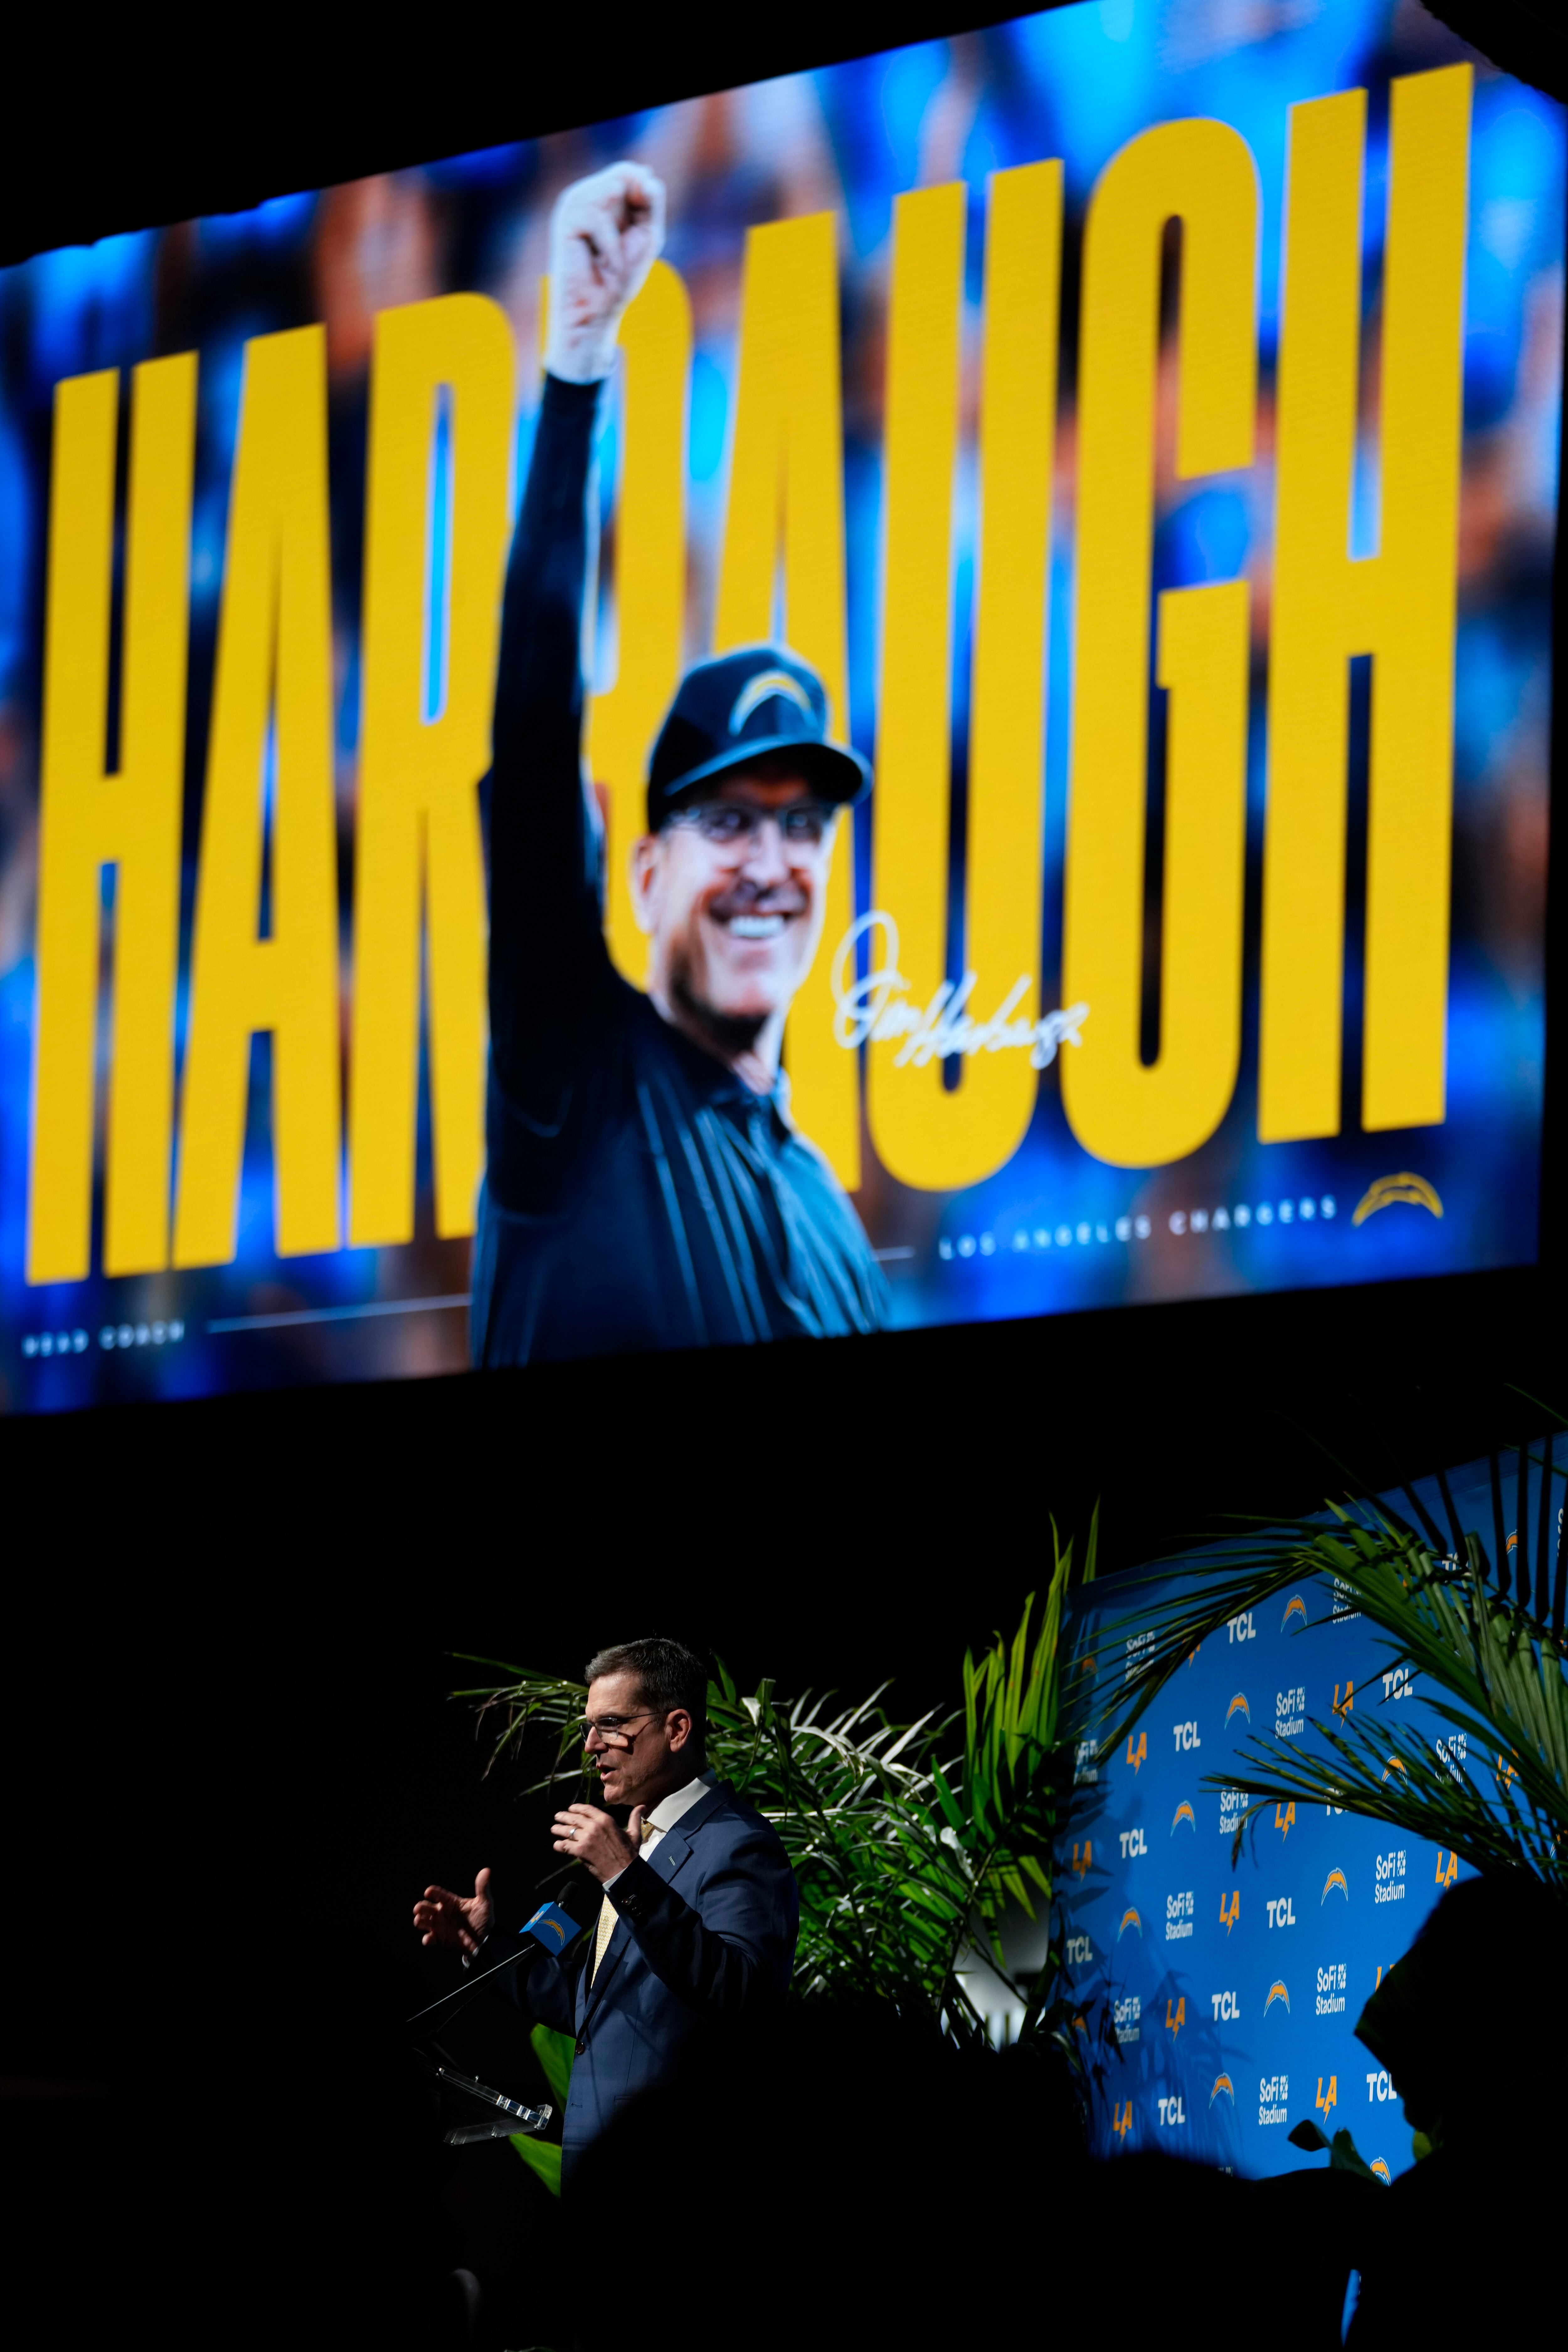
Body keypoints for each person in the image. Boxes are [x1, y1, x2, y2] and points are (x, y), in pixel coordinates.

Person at [473, 161, 889, 1366]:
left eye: (802, 824)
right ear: (645, 875)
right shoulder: (579, 1084)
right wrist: (576, 372)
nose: (770, 861)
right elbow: (534, 737)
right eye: (727, 820)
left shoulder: (835, 1223)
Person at [412, 1636, 798, 2187]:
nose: (592, 1745)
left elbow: (742, 1996)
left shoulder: (739, 1843)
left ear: (677, 1729)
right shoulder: (647, 1842)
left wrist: (625, 1874)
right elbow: (597, 2006)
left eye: (612, 1725)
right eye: (589, 1727)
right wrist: (485, 1946)